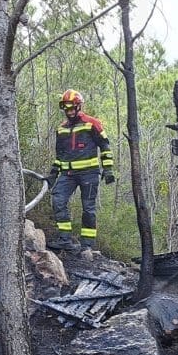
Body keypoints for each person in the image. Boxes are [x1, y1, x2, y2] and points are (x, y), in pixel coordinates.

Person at [48, 89, 114, 252]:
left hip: (89, 174)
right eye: (66, 108)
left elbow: (105, 146)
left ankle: (87, 245)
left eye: (71, 107)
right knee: (58, 200)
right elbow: (60, 154)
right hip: (67, 175)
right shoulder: (61, 129)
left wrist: (108, 169)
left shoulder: (92, 123)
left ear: (78, 106)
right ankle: (65, 239)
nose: (69, 111)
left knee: (88, 208)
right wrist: (53, 173)